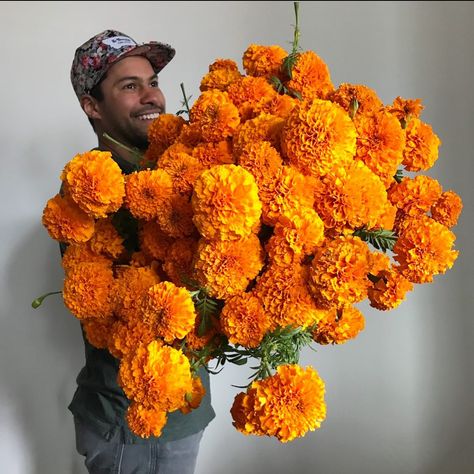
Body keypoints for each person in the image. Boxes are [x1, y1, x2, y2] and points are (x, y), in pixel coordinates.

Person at [67, 29, 216, 474]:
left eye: (152, 81)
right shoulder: (93, 188)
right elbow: (136, 305)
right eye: (129, 86)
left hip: (171, 409)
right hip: (135, 421)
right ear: (93, 106)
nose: (151, 96)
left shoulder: (163, 169)